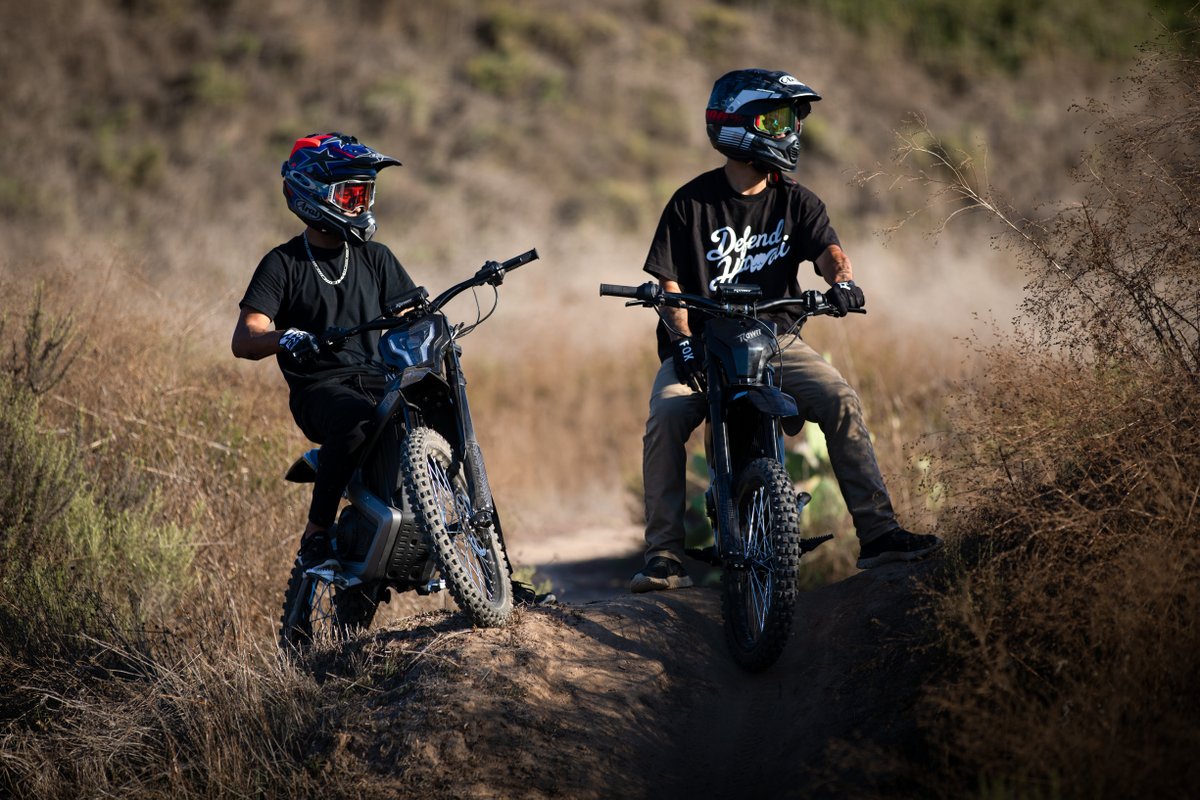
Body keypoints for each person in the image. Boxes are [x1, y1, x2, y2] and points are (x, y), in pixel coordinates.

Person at [630, 69, 942, 593]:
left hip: (778, 341)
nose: (790, 132)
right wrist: (683, 345)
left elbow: (829, 253)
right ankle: (664, 557)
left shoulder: (797, 201)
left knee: (839, 398)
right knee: (664, 416)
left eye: (792, 120)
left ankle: (880, 533)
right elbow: (667, 285)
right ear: (738, 126)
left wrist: (844, 282)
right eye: (777, 120)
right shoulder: (690, 203)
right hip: (702, 345)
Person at [232, 131, 414, 571]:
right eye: (351, 193)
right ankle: (316, 532)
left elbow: (411, 315)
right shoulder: (283, 263)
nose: (361, 205)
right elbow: (245, 338)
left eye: (365, 194)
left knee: (440, 408)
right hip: (321, 390)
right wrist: (285, 336)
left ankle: (484, 557)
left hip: (378, 382)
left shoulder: (377, 258)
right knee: (353, 419)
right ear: (314, 194)